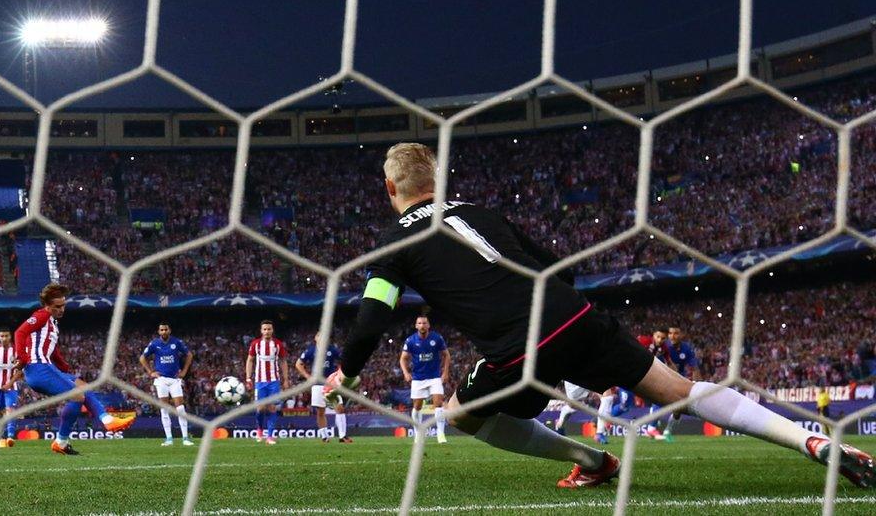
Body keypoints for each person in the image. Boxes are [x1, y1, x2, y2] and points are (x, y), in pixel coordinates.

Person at [329, 142, 874, 489]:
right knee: (679, 389)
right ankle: (813, 441)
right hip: (572, 315)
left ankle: (593, 461)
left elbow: (374, 316)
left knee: (459, 417)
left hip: (515, 347)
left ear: (390, 188)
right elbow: (557, 268)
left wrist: (346, 376)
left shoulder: (393, 243)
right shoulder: (480, 212)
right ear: (436, 178)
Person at [13, 283, 135, 455]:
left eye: (63, 306)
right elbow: (20, 333)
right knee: (78, 396)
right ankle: (65, 439)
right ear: (47, 306)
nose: (62, 309)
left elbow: (52, 350)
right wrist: (22, 357)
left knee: (82, 386)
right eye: (58, 307)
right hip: (38, 368)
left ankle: (102, 421)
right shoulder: (42, 315)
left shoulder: (52, 323)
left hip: (45, 367)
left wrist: (64, 367)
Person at [139, 322, 194, 446]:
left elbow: (189, 354)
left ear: (169, 330)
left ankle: (185, 438)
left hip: (175, 379)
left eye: (165, 329)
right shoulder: (154, 344)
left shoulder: (177, 342)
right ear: (159, 332)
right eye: (161, 330)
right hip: (161, 380)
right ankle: (169, 438)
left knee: (180, 408)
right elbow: (142, 357)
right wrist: (150, 372)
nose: (163, 331)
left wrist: (184, 371)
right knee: (164, 409)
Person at [399, 315, 450, 443]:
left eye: (424, 323)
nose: (422, 325)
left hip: (434, 376)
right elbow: (403, 358)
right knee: (417, 406)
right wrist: (406, 373)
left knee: (438, 403)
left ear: (428, 325)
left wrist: (445, 372)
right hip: (418, 378)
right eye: (419, 323)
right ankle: (418, 433)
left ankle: (440, 434)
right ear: (416, 326)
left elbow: (446, 355)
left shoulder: (437, 338)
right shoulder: (411, 340)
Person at [295, 333, 352, 443]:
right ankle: (324, 437)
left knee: (339, 408)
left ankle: (342, 436)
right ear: (315, 338)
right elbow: (298, 364)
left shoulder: (332, 349)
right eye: (320, 336)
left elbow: (344, 361)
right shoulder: (310, 351)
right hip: (317, 384)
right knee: (321, 411)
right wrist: (307, 376)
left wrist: (340, 374)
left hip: (331, 383)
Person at [245, 320, 289, 445]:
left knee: (272, 408)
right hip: (260, 381)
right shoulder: (256, 344)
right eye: (264, 329)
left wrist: (286, 379)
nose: (267, 331)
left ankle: (270, 436)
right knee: (260, 408)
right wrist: (248, 378)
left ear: (272, 330)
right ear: (261, 331)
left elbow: (283, 362)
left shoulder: (278, 344)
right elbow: (250, 360)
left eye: (269, 329)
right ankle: (259, 429)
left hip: (274, 381)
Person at [662, 326, 697, 441]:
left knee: (678, 409)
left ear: (681, 335)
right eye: (670, 333)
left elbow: (694, 367)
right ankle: (652, 427)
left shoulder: (686, 348)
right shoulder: (663, 346)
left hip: (678, 378)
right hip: (660, 376)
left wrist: (695, 383)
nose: (673, 336)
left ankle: (667, 431)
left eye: (676, 333)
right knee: (657, 402)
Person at [638, 330, 670, 439]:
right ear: (653, 336)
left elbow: (669, 362)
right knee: (624, 405)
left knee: (661, 397)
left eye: (663, 338)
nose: (660, 340)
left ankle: (651, 428)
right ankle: (601, 422)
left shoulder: (664, 348)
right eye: (658, 337)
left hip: (646, 375)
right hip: (631, 373)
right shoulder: (643, 340)